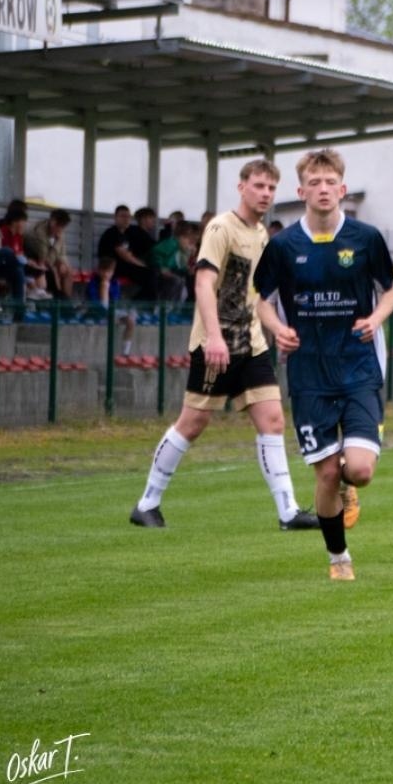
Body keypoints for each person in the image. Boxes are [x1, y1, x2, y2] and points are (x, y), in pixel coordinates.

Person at [129, 160, 318, 532]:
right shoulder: (220, 227)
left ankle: (288, 511)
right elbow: (203, 284)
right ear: (241, 186)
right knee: (193, 422)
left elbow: (258, 295)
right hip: (215, 344)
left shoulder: (262, 235)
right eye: (259, 185)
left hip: (252, 346)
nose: (265, 193)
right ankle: (147, 503)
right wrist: (214, 338)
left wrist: (277, 328)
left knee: (273, 420)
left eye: (270, 188)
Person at [254, 150, 393, 582]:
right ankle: (339, 559)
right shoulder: (282, 247)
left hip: (357, 366)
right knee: (326, 472)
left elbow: (391, 291)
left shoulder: (366, 238)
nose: (322, 189)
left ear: (342, 189)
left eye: (329, 181)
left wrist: (375, 318)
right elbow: (262, 301)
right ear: (300, 192)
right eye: (314, 182)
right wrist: (278, 328)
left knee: (358, 469)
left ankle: (350, 489)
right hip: (309, 374)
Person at [99, 206, 153, 302]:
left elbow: (130, 253)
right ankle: (134, 304)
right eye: (122, 216)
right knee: (149, 276)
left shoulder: (126, 235)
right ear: (115, 218)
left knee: (153, 276)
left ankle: (139, 304)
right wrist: (142, 265)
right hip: (113, 267)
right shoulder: (112, 233)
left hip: (125, 267)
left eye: (128, 217)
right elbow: (124, 255)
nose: (126, 219)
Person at [24, 209, 75, 299]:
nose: (62, 229)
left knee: (68, 271)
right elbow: (45, 258)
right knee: (54, 271)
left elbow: (63, 253)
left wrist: (63, 263)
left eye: (63, 227)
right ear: (53, 222)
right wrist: (57, 242)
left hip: (49, 259)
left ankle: (67, 302)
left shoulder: (60, 232)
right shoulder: (39, 233)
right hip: (35, 260)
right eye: (60, 226)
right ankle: (58, 301)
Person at [149, 220, 197, 303]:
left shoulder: (181, 250)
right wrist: (161, 268)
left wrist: (188, 270)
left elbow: (178, 266)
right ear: (180, 237)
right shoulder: (171, 244)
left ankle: (174, 308)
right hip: (157, 271)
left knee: (183, 281)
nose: (189, 243)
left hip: (171, 271)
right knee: (176, 281)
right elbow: (155, 253)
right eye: (186, 238)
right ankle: (163, 307)